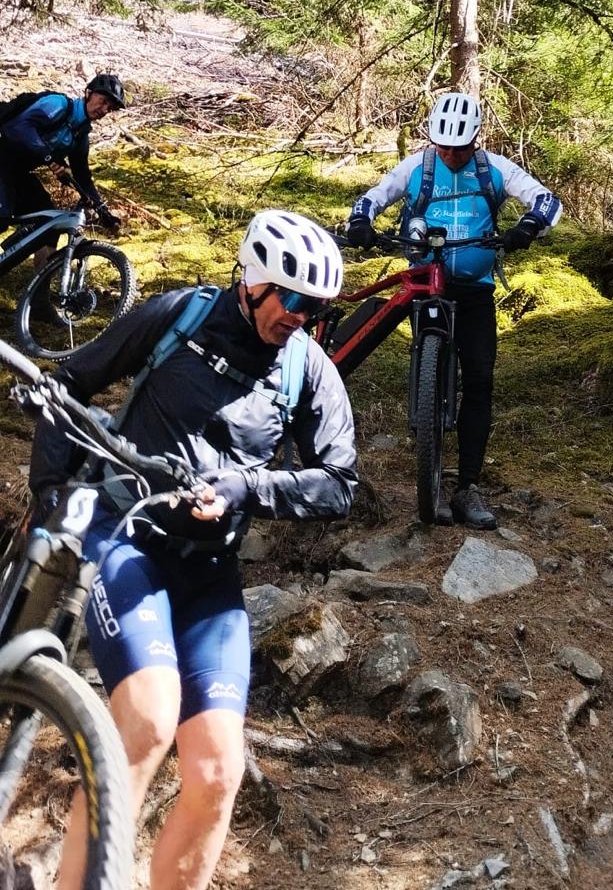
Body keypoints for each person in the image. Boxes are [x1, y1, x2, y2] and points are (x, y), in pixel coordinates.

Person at [29, 208, 357, 890]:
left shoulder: (307, 368)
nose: (301, 316)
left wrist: (246, 489)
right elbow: (70, 383)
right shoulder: (180, 315)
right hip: (126, 539)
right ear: (253, 282)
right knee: (148, 721)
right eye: (292, 299)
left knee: (217, 772)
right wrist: (52, 492)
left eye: (316, 307)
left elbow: (338, 483)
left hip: (208, 574)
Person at [346, 91, 562, 530]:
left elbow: (547, 202)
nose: (450, 153)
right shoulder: (418, 167)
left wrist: (526, 227)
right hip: (427, 285)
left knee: (479, 381)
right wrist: (361, 224)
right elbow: (371, 199)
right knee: (429, 370)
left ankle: (467, 486)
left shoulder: (494, 168)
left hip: (476, 290)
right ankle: (429, 465)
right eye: (443, 145)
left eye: (459, 147)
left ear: (475, 139)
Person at [0, 73, 125, 255]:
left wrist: (102, 211)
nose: (105, 109)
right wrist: (49, 158)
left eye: (110, 108)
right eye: (103, 101)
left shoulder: (80, 136)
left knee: (48, 225)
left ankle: (45, 274)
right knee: (2, 216)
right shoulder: (58, 104)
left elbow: (82, 176)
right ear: (88, 93)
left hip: (16, 173)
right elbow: (18, 126)